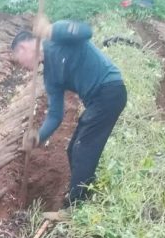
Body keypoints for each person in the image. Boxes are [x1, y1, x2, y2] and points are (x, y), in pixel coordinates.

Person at [10, 18, 127, 211]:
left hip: (109, 90)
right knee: (73, 149)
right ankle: (85, 192)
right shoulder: (50, 76)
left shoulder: (58, 37)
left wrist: (50, 30)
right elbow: (55, 114)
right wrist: (38, 136)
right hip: (96, 101)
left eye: (18, 58)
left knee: (83, 148)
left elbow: (86, 32)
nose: (21, 65)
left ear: (23, 48)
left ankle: (74, 207)